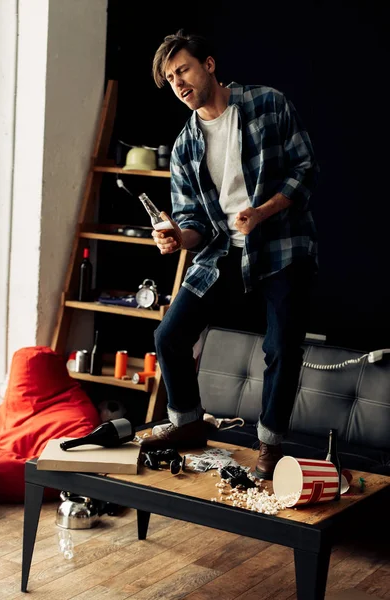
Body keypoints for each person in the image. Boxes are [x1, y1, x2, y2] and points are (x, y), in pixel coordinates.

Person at [140, 30, 319, 479]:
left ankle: (269, 445)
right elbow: (195, 223)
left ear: (209, 65)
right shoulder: (184, 147)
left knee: (282, 347)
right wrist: (179, 238)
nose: (178, 83)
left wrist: (263, 212)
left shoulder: (268, 104)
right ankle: (187, 425)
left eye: (183, 69)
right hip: (224, 251)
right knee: (169, 335)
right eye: (170, 78)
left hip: (281, 246)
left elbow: (306, 169)